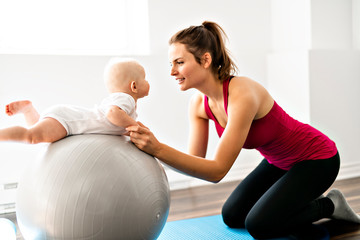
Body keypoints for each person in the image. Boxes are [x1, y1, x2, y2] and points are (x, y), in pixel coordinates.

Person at [126, 21, 360, 239]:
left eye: (179, 62)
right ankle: (297, 197)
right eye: (171, 64)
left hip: (316, 158)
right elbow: (195, 162)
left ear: (205, 60)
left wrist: (158, 148)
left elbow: (217, 171)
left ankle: (330, 205)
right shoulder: (199, 104)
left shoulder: (242, 93)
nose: (172, 72)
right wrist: (151, 152)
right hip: (277, 161)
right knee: (233, 216)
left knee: (259, 225)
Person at [1, 58, 150, 144]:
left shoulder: (119, 101)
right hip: (67, 121)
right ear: (134, 86)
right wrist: (134, 126)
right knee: (31, 136)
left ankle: (29, 111)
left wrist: (133, 130)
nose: (148, 82)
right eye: (145, 78)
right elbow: (112, 114)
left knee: (37, 130)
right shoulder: (126, 99)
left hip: (67, 117)